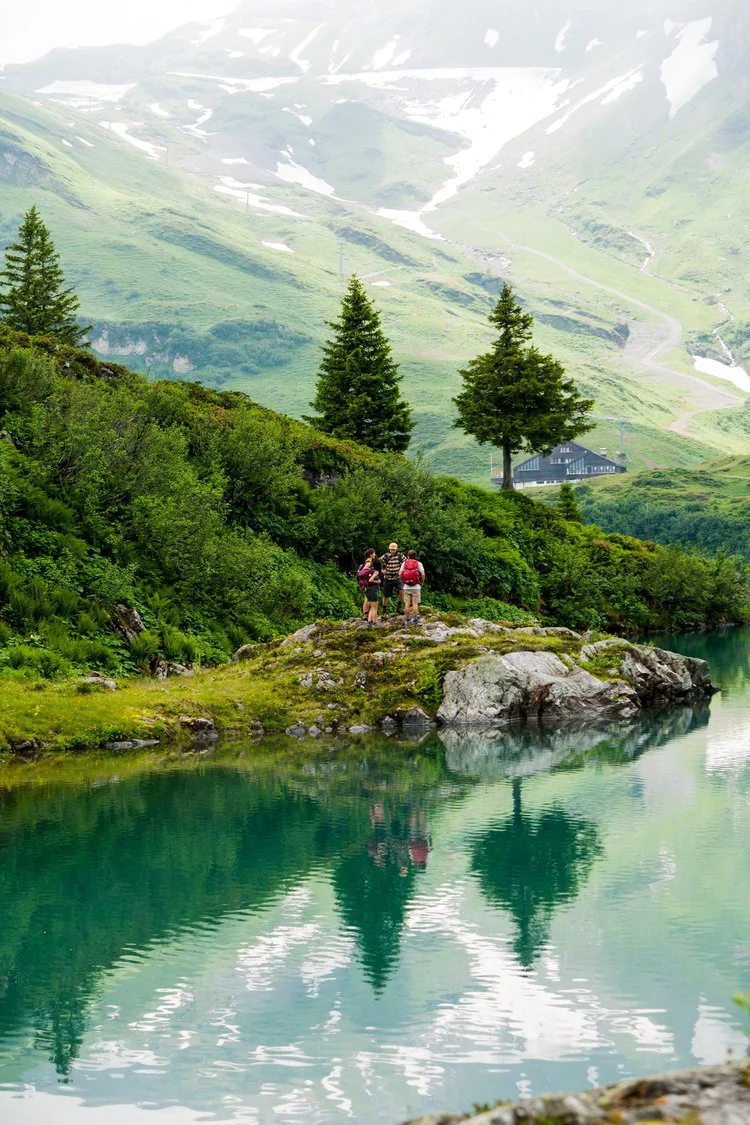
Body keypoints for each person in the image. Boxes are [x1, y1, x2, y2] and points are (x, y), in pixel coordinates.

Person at [399, 550, 425, 625]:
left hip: (406, 586)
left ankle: (407, 618)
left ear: (408, 556)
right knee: (415, 603)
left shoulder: (404, 563)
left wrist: (403, 581)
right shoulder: (418, 563)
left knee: (407, 603)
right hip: (416, 586)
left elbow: (400, 573)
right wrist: (422, 582)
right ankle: (415, 619)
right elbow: (423, 574)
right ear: (415, 556)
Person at [380, 541, 405, 615]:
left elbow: (406, 563)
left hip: (397, 577)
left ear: (396, 549)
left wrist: (402, 571)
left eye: (394, 550)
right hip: (387, 578)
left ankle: (399, 607)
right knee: (385, 595)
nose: (392, 551)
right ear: (389, 549)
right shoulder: (386, 556)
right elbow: (378, 561)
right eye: (391, 549)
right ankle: (384, 610)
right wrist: (382, 569)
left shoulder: (400, 556)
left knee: (401, 591)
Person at [357, 548, 376, 617]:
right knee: (367, 598)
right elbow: (363, 572)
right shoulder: (368, 562)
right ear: (371, 555)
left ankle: (366, 613)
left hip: (365, 583)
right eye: (374, 553)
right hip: (367, 583)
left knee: (367, 597)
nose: (375, 554)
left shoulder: (368, 561)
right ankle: (365, 613)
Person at [365, 556, 383, 625]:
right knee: (375, 607)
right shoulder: (376, 572)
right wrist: (377, 582)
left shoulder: (369, 570)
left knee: (371, 607)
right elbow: (370, 580)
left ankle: (369, 621)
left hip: (367, 589)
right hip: (373, 589)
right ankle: (374, 622)